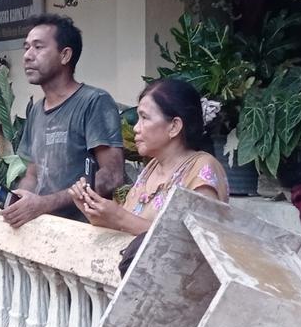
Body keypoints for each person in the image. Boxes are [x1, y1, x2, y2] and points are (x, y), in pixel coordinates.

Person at [1, 14, 124, 228]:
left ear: (65, 55)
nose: (28, 56)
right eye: (26, 47)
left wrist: (44, 204)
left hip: (82, 234)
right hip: (41, 231)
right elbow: (33, 174)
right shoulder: (37, 111)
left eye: (38, 47)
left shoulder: (94, 102)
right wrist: (19, 202)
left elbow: (111, 176)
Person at [69, 77, 228, 235]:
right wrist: (94, 211)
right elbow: (126, 229)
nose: (136, 128)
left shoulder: (202, 169)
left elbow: (193, 243)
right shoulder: (151, 168)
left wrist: (119, 216)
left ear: (174, 126)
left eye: (144, 118)